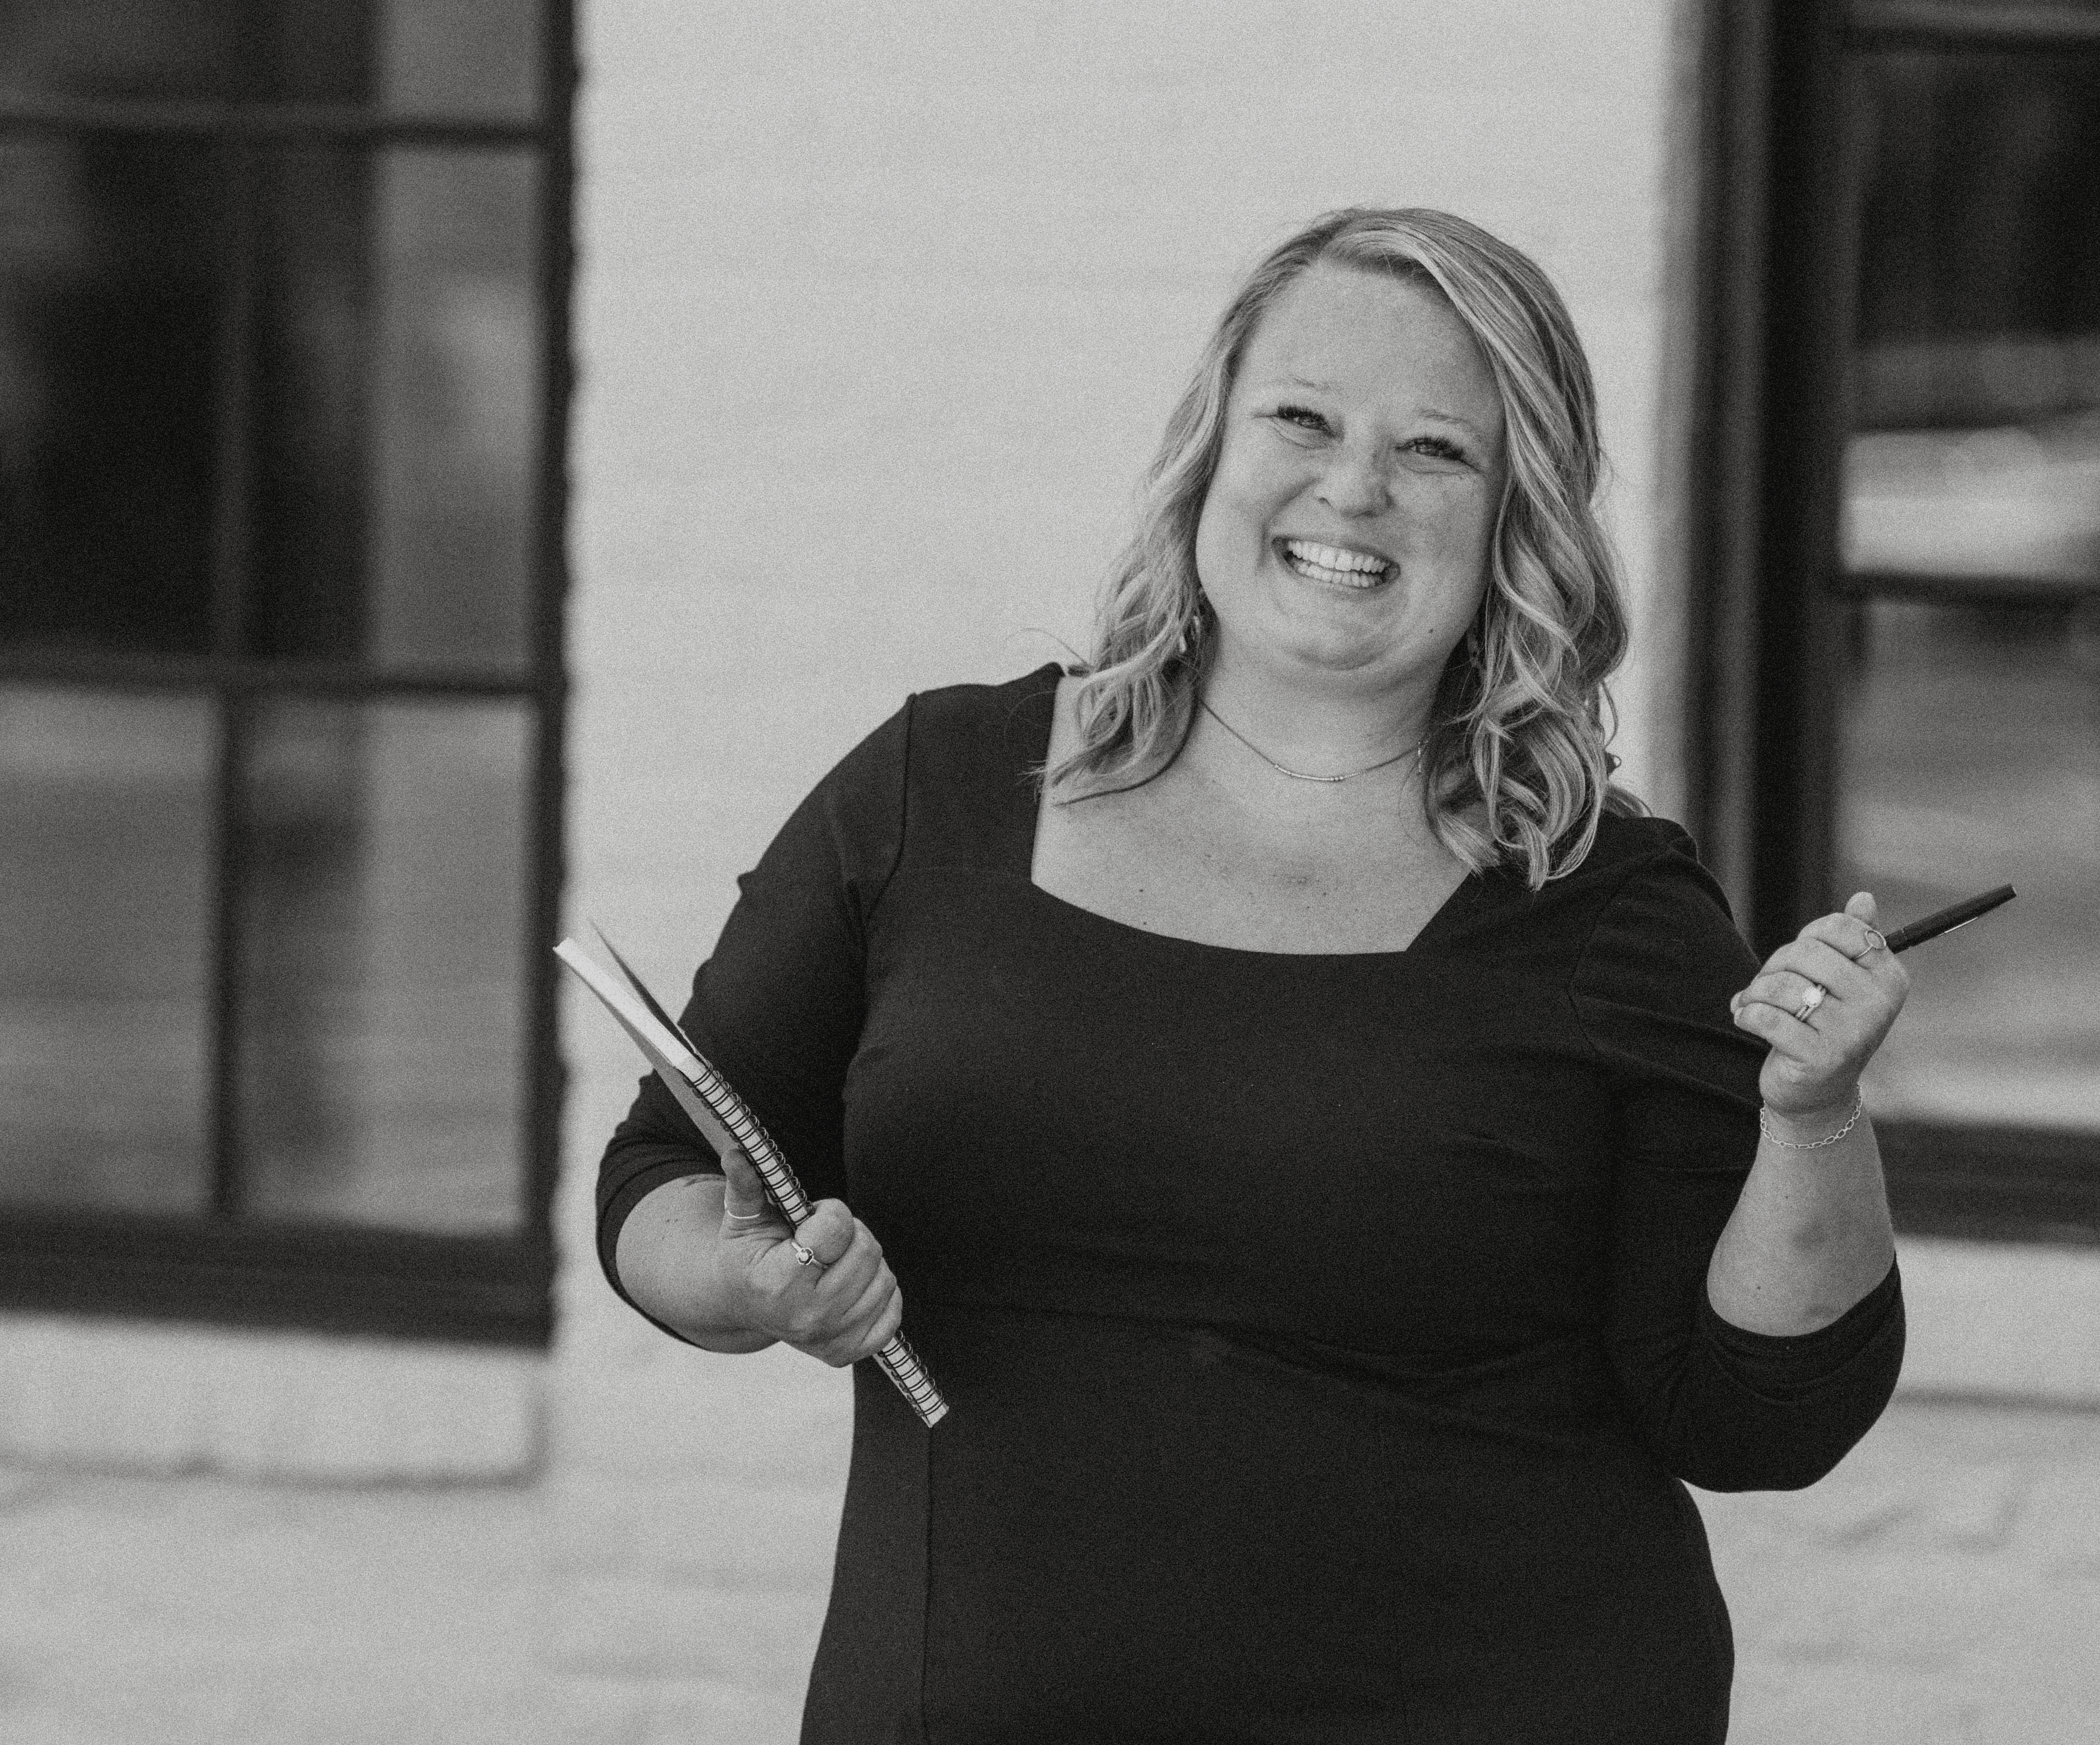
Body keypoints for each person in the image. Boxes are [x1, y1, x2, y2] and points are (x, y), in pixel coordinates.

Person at [596, 206, 1908, 1741]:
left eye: (1437, 451)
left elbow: (1761, 1415)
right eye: (1301, 417)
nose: (1353, 487)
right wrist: (748, 1283)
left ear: (1513, 522)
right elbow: (665, 1171)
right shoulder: (935, 793)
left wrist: (1813, 1117)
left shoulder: (1603, 904)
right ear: (1213, 444)